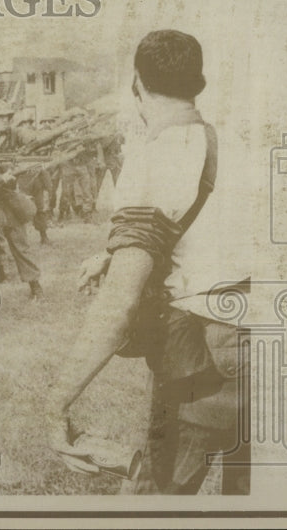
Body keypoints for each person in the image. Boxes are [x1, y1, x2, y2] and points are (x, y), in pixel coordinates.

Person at [46, 30, 250, 495]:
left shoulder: (153, 157)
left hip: (206, 358)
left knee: (152, 504)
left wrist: (55, 406)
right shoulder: (237, 144)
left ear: (137, 84)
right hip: (276, 352)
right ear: (198, 82)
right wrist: (112, 252)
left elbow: (118, 305)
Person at [0, 99, 44, 298]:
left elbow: (31, 138)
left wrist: (34, 139)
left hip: (6, 194)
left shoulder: (13, 134)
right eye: (0, 117)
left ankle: (34, 284)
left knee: (19, 240)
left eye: (7, 117)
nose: (5, 120)